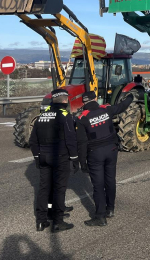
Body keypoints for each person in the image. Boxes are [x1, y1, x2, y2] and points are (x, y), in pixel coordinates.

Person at [76, 90, 135, 226]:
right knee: (110, 180)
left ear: (83, 102)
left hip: (95, 154)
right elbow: (122, 106)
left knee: (98, 186)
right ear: (95, 98)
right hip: (111, 150)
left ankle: (100, 217)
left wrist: (82, 163)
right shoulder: (106, 110)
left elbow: (81, 143)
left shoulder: (82, 118)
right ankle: (110, 209)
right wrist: (131, 96)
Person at [29, 88, 79, 232]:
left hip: (44, 157)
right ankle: (58, 221)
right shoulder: (65, 115)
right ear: (65, 100)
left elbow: (33, 141)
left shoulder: (42, 116)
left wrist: (37, 157)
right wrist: (75, 158)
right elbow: (71, 139)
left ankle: (41, 220)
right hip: (60, 157)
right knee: (59, 189)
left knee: (44, 189)